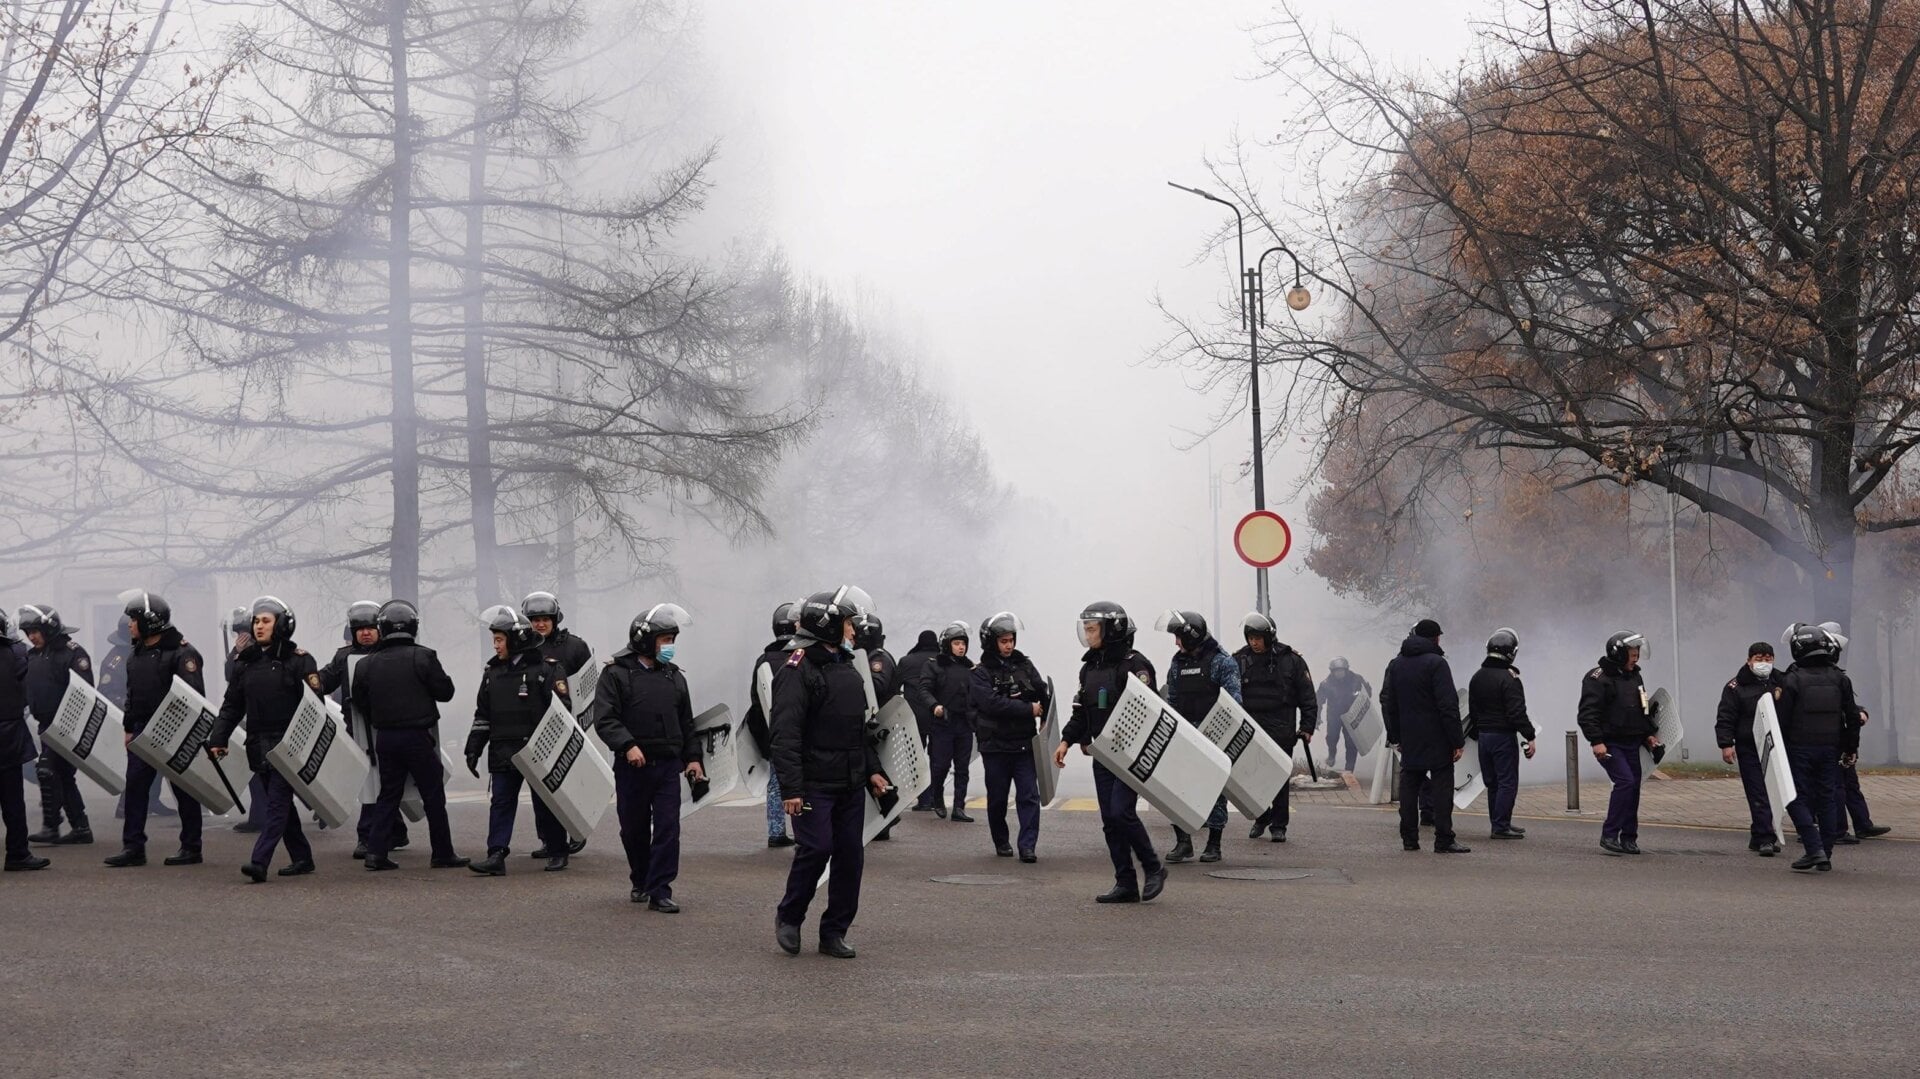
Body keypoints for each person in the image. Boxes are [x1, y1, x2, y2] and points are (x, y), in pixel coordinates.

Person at [772, 586, 889, 958]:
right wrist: (792, 789)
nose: (856, 631)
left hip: (850, 782)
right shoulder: (796, 669)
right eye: (850, 624)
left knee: (850, 856)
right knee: (816, 848)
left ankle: (834, 931)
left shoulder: (847, 666)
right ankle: (789, 917)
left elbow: (858, 727)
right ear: (829, 625)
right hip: (813, 784)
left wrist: (872, 770)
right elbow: (785, 733)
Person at [1055, 601, 1167, 905]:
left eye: (1093, 629)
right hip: (1103, 755)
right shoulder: (1088, 667)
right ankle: (1125, 882)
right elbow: (1081, 711)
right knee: (1109, 820)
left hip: (1130, 755)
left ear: (1111, 629)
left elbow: (1150, 709)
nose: (1088, 635)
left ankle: (1153, 866)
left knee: (1121, 812)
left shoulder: (1135, 665)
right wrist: (1066, 740)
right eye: (1087, 629)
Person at [595, 603, 703, 912]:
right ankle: (640, 878)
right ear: (645, 640)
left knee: (668, 828)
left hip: (668, 766)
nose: (669, 647)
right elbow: (606, 719)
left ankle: (660, 890)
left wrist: (693, 758)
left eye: (672, 640)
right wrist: (627, 745)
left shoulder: (674, 677)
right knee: (633, 828)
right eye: (664, 640)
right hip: (633, 767)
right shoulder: (615, 674)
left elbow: (687, 722)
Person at [351, 600, 469, 872]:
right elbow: (445, 693)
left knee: (388, 795)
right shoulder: (424, 656)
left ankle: (376, 853)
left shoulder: (365, 665)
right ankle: (442, 852)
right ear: (414, 627)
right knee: (433, 795)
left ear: (382, 628)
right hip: (417, 736)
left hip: (385, 738)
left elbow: (359, 700)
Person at [208, 597, 318, 882]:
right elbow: (232, 705)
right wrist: (217, 738)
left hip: (288, 746)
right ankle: (303, 857)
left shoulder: (299, 661)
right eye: (256, 621)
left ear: (281, 625)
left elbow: (314, 707)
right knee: (280, 804)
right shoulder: (245, 664)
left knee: (276, 805)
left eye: (266, 621)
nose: (258, 626)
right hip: (259, 745)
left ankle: (260, 862)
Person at [465, 606, 573, 877]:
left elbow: (562, 711)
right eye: (495, 640)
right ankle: (496, 855)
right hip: (503, 750)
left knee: (546, 802)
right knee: (501, 802)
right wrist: (473, 747)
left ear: (515, 641)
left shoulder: (547, 670)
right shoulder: (492, 673)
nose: (495, 645)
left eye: (500, 640)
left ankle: (557, 849)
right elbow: (483, 714)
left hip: (537, 751)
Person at [104, 591, 207, 868]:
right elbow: (132, 694)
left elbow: (193, 698)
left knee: (184, 790)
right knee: (136, 790)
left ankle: (191, 847)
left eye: (134, 619)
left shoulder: (183, 653)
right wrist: (128, 728)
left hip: (174, 733)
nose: (129, 625)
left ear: (150, 621)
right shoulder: (135, 655)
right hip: (141, 731)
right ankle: (133, 848)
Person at [310, 600, 408, 859]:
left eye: (370, 628)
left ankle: (383, 832)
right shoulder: (344, 657)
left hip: (390, 726)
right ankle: (374, 834)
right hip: (358, 728)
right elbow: (325, 680)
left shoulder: (392, 651)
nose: (365, 633)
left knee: (384, 780)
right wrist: (306, 678)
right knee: (369, 781)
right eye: (360, 628)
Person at [1774, 623, 1860, 873]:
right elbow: (1852, 717)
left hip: (1800, 749)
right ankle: (1826, 853)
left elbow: (1781, 720)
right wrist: (1850, 748)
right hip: (1830, 749)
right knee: (1828, 799)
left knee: (1794, 797)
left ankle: (1814, 849)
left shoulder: (1791, 680)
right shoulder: (1840, 678)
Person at [1157, 609, 1241, 864]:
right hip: (1184, 735)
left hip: (1212, 736)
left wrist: (1213, 735)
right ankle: (1183, 842)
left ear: (1191, 636)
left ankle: (1214, 844)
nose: (1175, 643)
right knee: (1176, 788)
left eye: (1178, 637)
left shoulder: (1221, 661)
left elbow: (1233, 703)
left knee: (1215, 790)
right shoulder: (1177, 663)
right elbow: (1171, 700)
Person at [1381, 619, 1469, 854]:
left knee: (1409, 788)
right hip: (1437, 737)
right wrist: (1457, 741)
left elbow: (1390, 703)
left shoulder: (1397, 664)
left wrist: (1395, 735)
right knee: (1442, 789)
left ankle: (1409, 839)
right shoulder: (1437, 664)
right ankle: (1444, 839)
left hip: (1410, 737)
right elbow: (1448, 705)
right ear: (1435, 638)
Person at [968, 612, 1049, 861]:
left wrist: (1045, 714)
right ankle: (1001, 841)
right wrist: (1028, 709)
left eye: (1011, 639)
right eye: (1003, 641)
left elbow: (1041, 690)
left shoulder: (1024, 665)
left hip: (1024, 744)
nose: (1009, 645)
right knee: (998, 799)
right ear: (992, 642)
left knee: (1029, 796)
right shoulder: (980, 673)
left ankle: (1027, 846)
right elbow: (992, 704)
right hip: (995, 747)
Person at [1575, 631, 1659, 856]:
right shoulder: (1598, 678)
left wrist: (1648, 734)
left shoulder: (1635, 676)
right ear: (1619, 654)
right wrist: (1597, 741)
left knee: (1634, 787)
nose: (1636, 658)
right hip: (1610, 742)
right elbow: (1587, 714)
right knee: (1625, 782)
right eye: (1632, 654)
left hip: (1632, 741)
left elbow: (1643, 709)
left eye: (1637, 653)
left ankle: (1629, 837)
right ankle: (1609, 834)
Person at [1235, 612, 1317, 843]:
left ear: (1269, 637)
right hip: (1251, 727)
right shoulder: (1239, 659)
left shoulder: (1291, 660)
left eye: (1258, 638)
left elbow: (1307, 697)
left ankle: (1279, 825)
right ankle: (1262, 816)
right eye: (1250, 637)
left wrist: (1307, 726)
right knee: (1250, 777)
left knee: (1279, 778)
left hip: (1281, 726)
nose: (1254, 642)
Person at [21, 605, 93, 848]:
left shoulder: (72, 653)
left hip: (67, 725)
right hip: (45, 726)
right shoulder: (34, 655)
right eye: (28, 632)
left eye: (35, 631)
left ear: (49, 628)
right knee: (63, 777)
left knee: (47, 771)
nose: (31, 637)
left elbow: (84, 693)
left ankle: (51, 827)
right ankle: (81, 828)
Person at [1816, 624, 1892, 844]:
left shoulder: (1834, 676)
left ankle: (1862, 824)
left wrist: (1858, 712)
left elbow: (1845, 705)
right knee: (1835, 786)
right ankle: (1836, 829)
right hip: (1830, 739)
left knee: (1849, 784)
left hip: (1840, 737)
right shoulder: (1820, 677)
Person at [1714, 642, 1784, 856]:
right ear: (1749, 661)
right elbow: (1726, 716)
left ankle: (1758, 833)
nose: (1764, 663)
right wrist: (1726, 744)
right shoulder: (1736, 687)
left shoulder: (1782, 681)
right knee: (1758, 791)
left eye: (1768, 658)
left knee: (1776, 792)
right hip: (1749, 746)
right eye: (1759, 659)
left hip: (1777, 746)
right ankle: (1765, 837)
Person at [743, 601, 802, 848]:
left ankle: (776, 831)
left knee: (777, 783)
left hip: (773, 732)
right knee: (801, 782)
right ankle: (803, 831)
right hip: (799, 732)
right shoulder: (801, 657)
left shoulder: (764, 660)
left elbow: (756, 699)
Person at [1467, 628, 1535, 840]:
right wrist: (1529, 735)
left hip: (1484, 737)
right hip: (1503, 737)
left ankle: (1499, 822)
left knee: (1493, 783)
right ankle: (1501, 825)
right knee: (1507, 782)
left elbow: (1473, 711)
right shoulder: (1509, 678)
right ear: (1511, 653)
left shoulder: (1477, 677)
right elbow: (1517, 712)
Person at [911, 621, 976, 822]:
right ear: (947, 644)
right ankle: (937, 797)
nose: (961, 647)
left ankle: (959, 807)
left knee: (963, 767)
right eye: (957, 643)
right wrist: (934, 706)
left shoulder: (970, 668)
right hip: (942, 723)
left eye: (963, 643)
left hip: (964, 723)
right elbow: (923, 689)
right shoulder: (934, 665)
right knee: (940, 766)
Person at [0, 612, 47, 871]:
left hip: (8, 733)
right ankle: (17, 854)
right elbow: (32, 685)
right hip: (9, 737)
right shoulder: (18, 653)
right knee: (13, 801)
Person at [851, 611, 900, 842]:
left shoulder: (877, 658)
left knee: (877, 771)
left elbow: (877, 687)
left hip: (879, 722)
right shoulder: (865, 656)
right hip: (871, 720)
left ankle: (886, 815)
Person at [223, 606, 269, 836]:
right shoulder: (238, 654)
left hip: (269, 719)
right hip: (249, 719)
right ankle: (259, 816)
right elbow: (230, 678)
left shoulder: (268, 650)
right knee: (255, 770)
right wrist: (237, 654)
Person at [897, 629, 940, 811]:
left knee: (916, 759)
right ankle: (937, 798)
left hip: (913, 718)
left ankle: (924, 799)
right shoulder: (941, 659)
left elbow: (892, 686)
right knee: (938, 759)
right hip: (937, 715)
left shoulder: (907, 661)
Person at [1318, 657, 1372, 774]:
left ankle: (1349, 769)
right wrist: (1317, 717)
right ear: (1332, 671)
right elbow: (1319, 701)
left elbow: (1367, 693)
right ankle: (1332, 753)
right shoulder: (1326, 684)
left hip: (1351, 716)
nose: (1339, 673)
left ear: (1346, 670)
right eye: (1336, 671)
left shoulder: (1357, 680)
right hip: (1334, 716)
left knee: (1351, 742)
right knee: (1332, 737)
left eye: (1341, 670)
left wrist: (1360, 696)